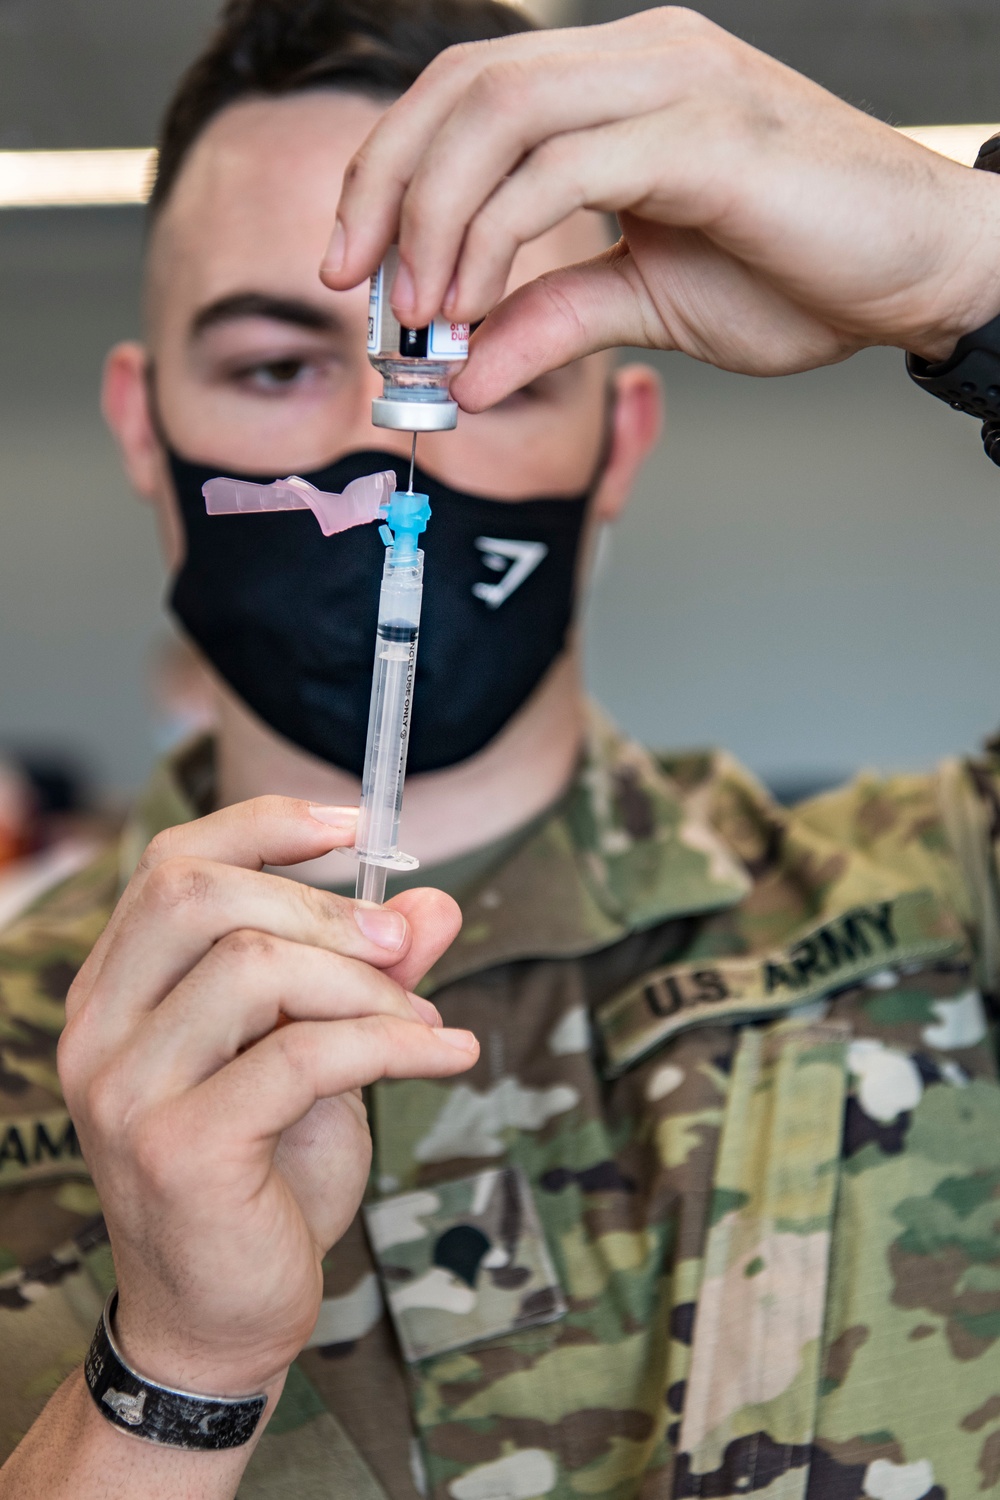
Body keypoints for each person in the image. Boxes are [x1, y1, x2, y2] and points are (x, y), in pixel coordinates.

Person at [1, 3, 999, 1498]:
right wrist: (175, 1378)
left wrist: (970, 270)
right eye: (275, 366)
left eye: (486, 362)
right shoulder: (41, 1050)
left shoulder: (942, 905)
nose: (375, 439)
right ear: (147, 430)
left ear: (625, 437)